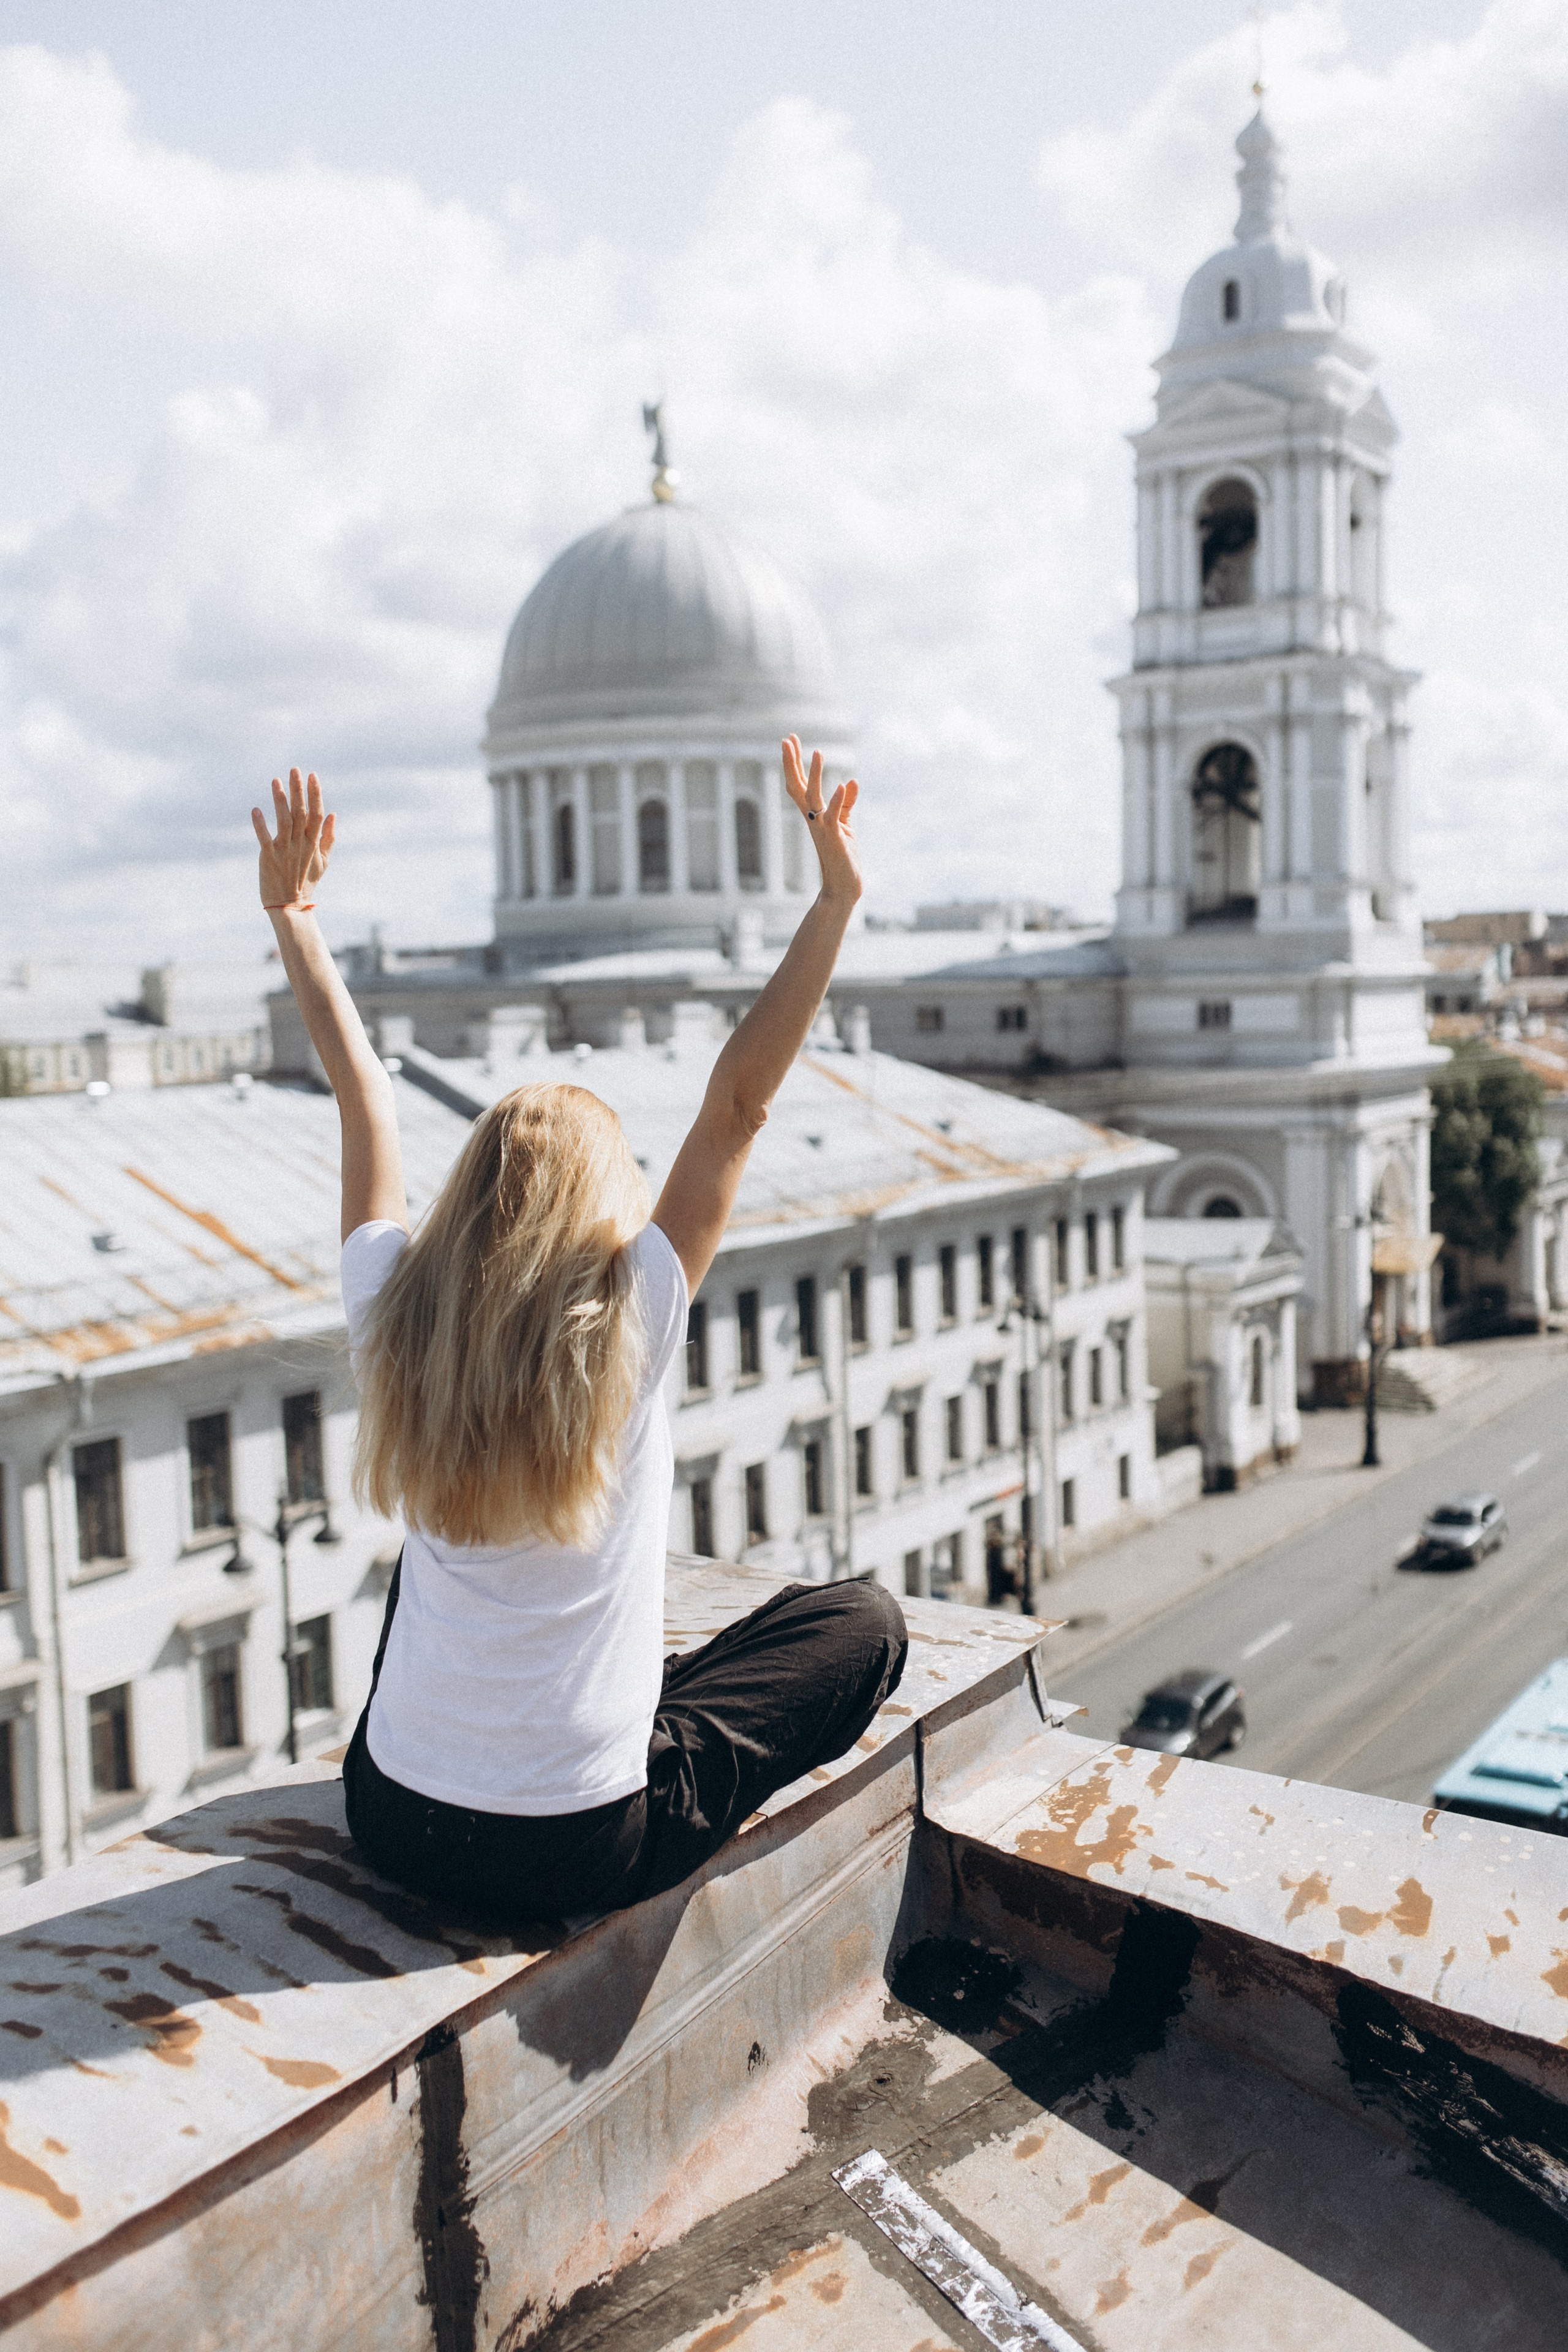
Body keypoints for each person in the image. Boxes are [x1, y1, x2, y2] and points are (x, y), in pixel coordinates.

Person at [252, 742, 906, 1924]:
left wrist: (295, 918)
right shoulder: (633, 1315)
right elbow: (739, 1106)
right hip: (578, 1849)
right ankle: (590, 1725)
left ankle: (512, 1730)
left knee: (430, 1561)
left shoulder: (393, 1305)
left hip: (391, 1815)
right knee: (863, 1623)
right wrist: (834, 902)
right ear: (603, 1204)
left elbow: (364, 1098)